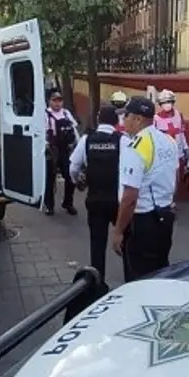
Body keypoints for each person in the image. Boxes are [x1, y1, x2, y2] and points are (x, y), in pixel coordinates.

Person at [111, 96, 179, 283]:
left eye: (126, 117)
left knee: (138, 279)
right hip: (165, 216)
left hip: (143, 222)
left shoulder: (136, 146)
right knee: (160, 272)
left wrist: (118, 231)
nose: (123, 121)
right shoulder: (168, 141)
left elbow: (130, 196)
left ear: (138, 119)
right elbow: (175, 176)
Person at [69, 106, 127, 282]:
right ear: (116, 122)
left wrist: (77, 181)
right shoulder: (122, 140)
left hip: (95, 199)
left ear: (99, 120)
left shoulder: (87, 140)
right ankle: (130, 282)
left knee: (97, 246)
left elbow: (73, 167)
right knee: (125, 244)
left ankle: (97, 285)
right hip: (117, 201)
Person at [44, 90, 79, 216]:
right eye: (55, 100)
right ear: (49, 101)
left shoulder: (66, 113)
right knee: (50, 180)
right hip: (52, 150)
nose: (58, 103)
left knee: (70, 177)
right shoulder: (45, 115)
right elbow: (43, 133)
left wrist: (77, 145)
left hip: (65, 150)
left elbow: (74, 129)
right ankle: (49, 206)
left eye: (59, 100)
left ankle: (68, 203)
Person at [153, 89, 189, 177]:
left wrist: (186, 149)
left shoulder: (178, 115)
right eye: (164, 102)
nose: (167, 104)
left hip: (178, 154)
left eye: (168, 101)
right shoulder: (156, 119)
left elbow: (182, 134)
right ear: (160, 104)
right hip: (163, 157)